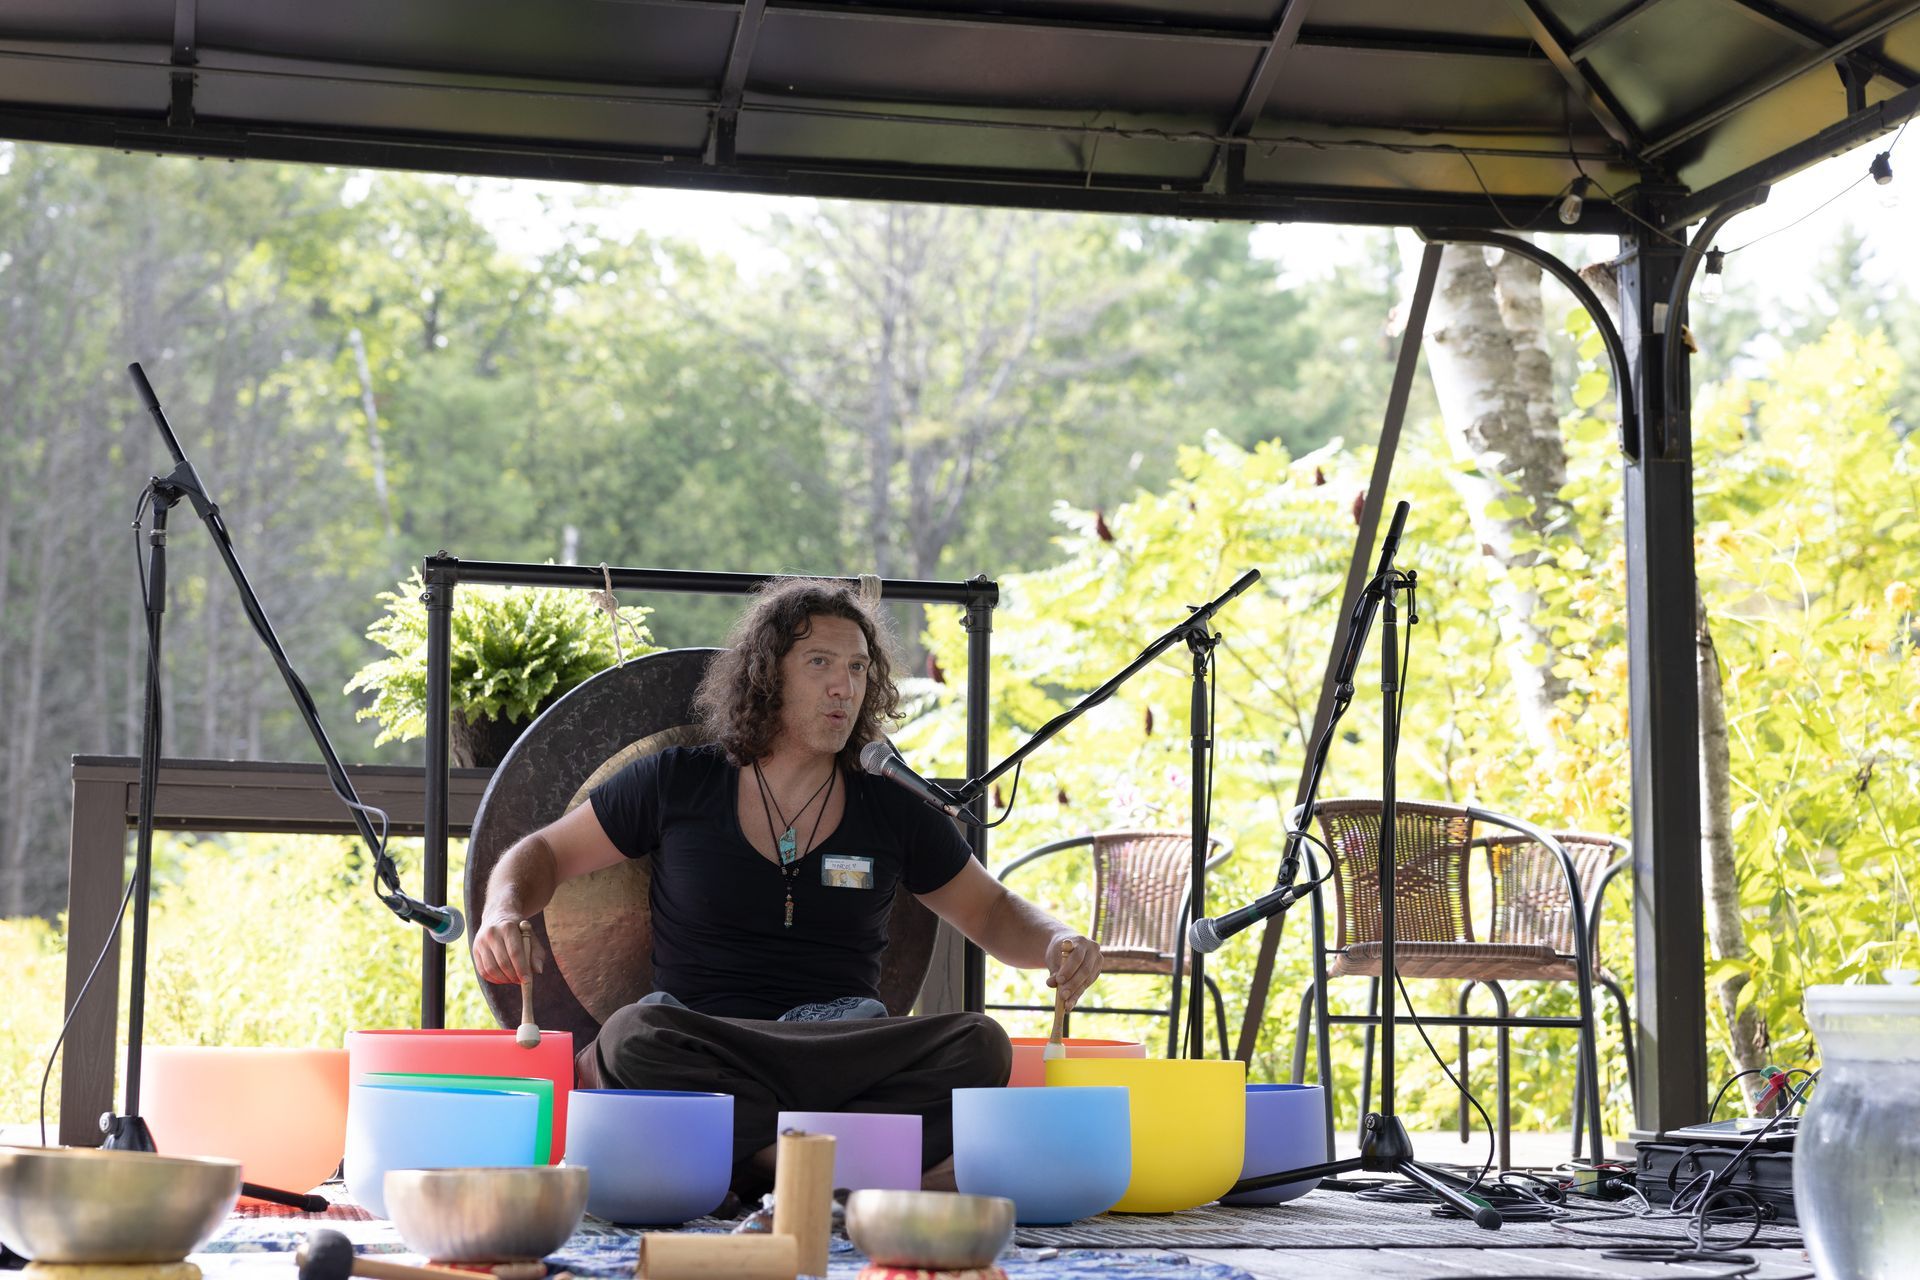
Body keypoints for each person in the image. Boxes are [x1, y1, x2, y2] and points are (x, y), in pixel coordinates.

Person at [471, 577, 1102, 1194]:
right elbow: (542, 852)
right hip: (712, 1045)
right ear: (768, 675)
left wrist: (1058, 941)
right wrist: (502, 910)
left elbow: (990, 912)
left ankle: (759, 1164)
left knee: (979, 1045)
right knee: (633, 1039)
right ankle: (859, 1168)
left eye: (858, 669)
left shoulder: (892, 805)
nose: (843, 686)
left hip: (841, 1049)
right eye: (820, 662)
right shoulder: (678, 782)